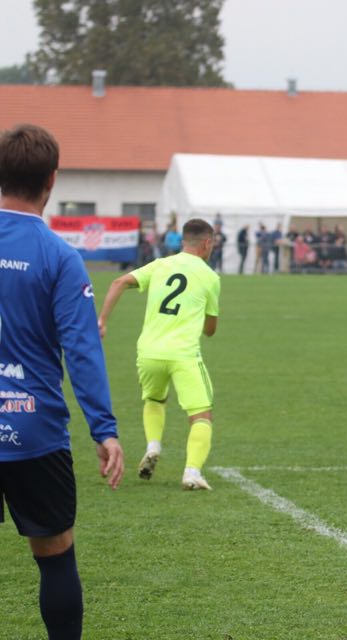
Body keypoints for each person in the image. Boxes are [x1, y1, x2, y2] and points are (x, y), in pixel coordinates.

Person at [0, 123, 124, 640]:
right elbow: (82, 350)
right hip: (34, 431)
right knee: (54, 555)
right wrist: (104, 429)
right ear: (52, 179)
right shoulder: (59, 257)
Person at [99, 218, 221, 491]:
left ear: (183, 241)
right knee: (201, 416)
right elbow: (210, 330)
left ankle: (153, 446)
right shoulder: (210, 277)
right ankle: (192, 472)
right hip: (183, 354)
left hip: (149, 352)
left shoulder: (160, 265)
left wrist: (102, 321)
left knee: (154, 399)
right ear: (207, 243)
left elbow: (119, 282)